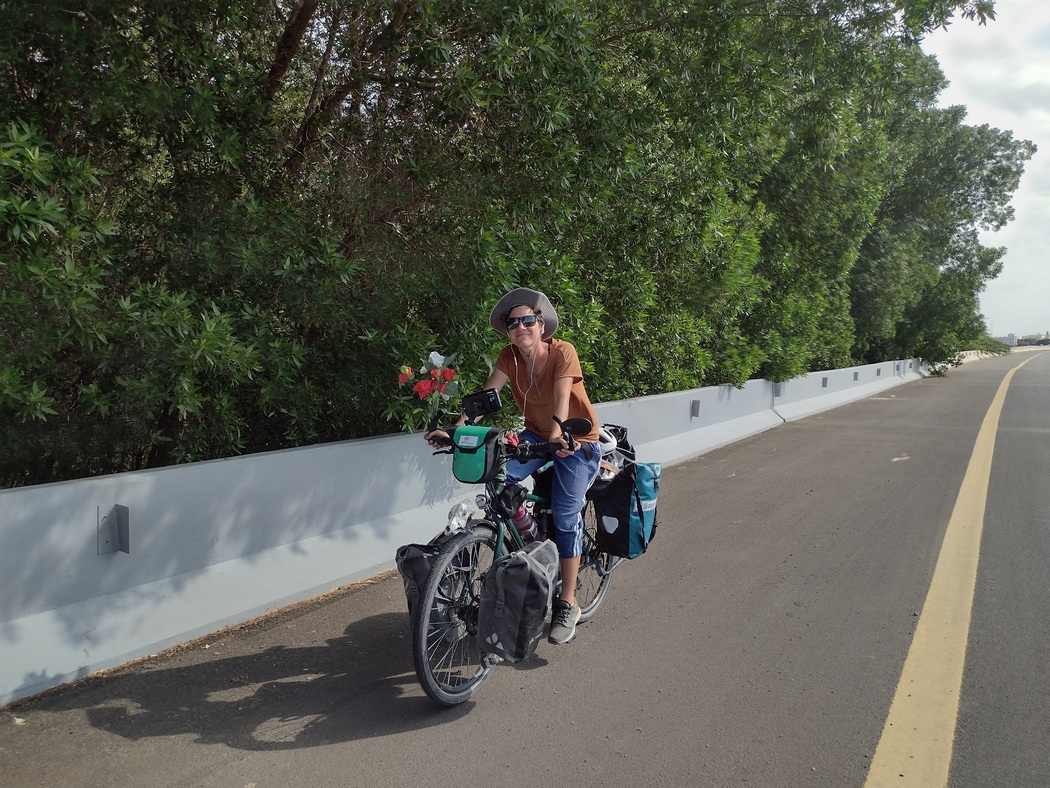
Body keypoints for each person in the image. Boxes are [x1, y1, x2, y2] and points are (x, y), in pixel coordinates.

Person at [425, 287, 601, 644]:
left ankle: (567, 601)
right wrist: (456, 433)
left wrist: (558, 434)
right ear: (507, 331)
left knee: (566, 515)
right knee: (499, 479)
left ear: (541, 325)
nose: (521, 327)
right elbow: (484, 400)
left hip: (575, 440)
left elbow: (562, 397)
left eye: (528, 320)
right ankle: (535, 541)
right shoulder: (509, 357)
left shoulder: (563, 351)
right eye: (513, 323)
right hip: (535, 436)